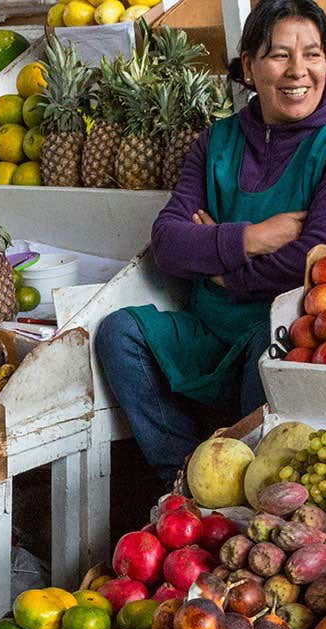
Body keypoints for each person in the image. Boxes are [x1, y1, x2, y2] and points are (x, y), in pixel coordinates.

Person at [96, 0, 326, 480]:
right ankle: (181, 478)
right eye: (280, 55)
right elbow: (167, 244)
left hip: (279, 331)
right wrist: (254, 237)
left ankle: (238, 485)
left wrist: (218, 266)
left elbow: (307, 261)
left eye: (314, 54)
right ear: (249, 65)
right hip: (208, 329)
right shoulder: (216, 141)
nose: (298, 71)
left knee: (270, 349)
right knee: (120, 333)